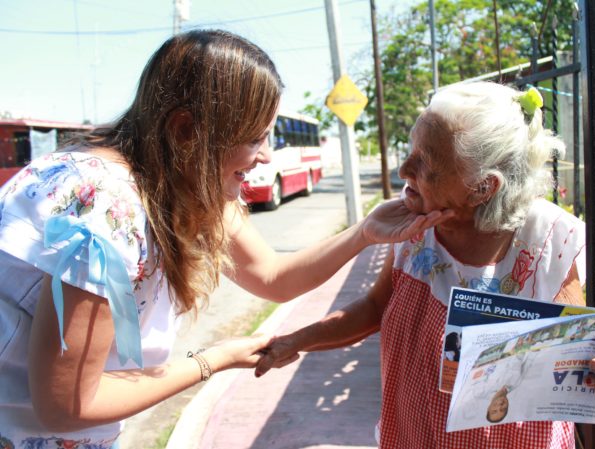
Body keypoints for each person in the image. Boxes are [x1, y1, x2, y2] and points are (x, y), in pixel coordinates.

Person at [0, 30, 452, 448]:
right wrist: (210, 361)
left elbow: (272, 276)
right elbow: (69, 403)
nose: (266, 156)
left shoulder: (183, 181)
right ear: (185, 132)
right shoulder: (105, 206)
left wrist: (365, 232)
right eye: (255, 138)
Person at [256, 82, 595, 448]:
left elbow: (583, 358)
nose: (404, 170)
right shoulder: (412, 227)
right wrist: (297, 340)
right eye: (411, 151)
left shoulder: (547, 243)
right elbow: (375, 308)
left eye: (425, 162)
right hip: (412, 433)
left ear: (483, 187)